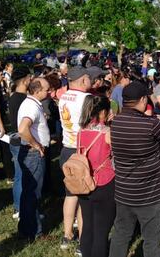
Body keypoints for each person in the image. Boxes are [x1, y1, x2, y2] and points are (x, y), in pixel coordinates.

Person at [109, 81, 160, 257]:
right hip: (150, 193)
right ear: (143, 99)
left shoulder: (115, 123)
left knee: (121, 234)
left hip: (124, 191)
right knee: (152, 240)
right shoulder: (152, 124)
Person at [75, 95, 116, 257]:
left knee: (87, 227)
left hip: (83, 182)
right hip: (104, 182)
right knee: (101, 231)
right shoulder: (107, 133)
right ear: (104, 112)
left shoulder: (81, 131)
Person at [58, 67, 92, 249]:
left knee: (70, 194)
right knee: (84, 196)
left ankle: (67, 234)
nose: (91, 81)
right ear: (82, 80)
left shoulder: (63, 95)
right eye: (88, 78)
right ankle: (83, 237)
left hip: (66, 147)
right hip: (82, 150)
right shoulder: (87, 99)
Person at [17, 78, 51, 240]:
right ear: (37, 91)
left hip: (30, 152)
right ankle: (34, 231)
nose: (49, 92)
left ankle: (25, 227)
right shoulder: (31, 106)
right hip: (33, 154)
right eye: (46, 89)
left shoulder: (31, 104)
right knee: (33, 194)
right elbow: (23, 129)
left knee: (28, 192)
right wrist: (36, 145)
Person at [8, 66, 31, 219]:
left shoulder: (14, 96)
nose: (31, 81)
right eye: (29, 78)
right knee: (22, 175)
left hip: (15, 138)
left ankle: (18, 206)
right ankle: (20, 207)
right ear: (24, 81)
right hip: (21, 140)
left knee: (19, 174)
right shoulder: (22, 99)